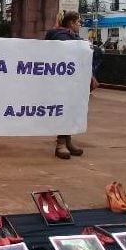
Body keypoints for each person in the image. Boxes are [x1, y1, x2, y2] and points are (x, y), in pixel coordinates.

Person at [44, 11, 87, 160]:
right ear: (71, 23)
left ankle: (67, 140)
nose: (80, 25)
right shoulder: (62, 36)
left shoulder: (71, 36)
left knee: (70, 109)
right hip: (61, 81)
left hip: (71, 80)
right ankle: (60, 143)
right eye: (78, 22)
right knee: (64, 109)